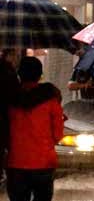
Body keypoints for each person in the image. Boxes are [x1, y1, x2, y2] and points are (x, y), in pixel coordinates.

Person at [6, 57, 64, 201]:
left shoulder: (9, 99)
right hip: (44, 163)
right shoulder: (51, 99)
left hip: (16, 163)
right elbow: (58, 134)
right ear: (40, 75)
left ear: (19, 74)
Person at [0, 50, 19, 187]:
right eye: (14, 55)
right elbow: (15, 95)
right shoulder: (9, 72)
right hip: (6, 117)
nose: (16, 58)